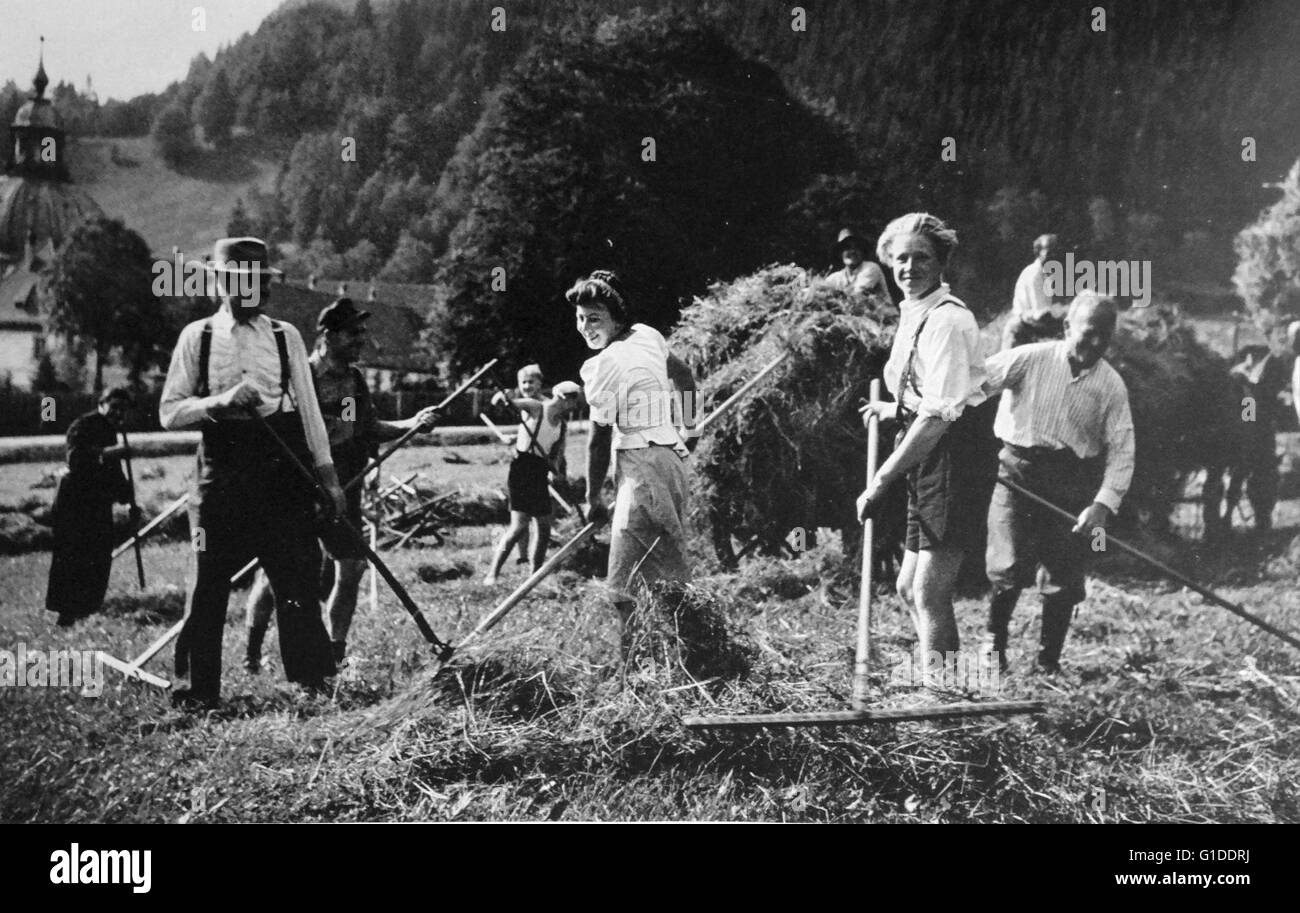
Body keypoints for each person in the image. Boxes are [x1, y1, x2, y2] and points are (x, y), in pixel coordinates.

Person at [160, 237, 345, 710]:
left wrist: (328, 479)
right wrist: (218, 402)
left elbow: (310, 415)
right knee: (208, 582)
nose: (255, 289)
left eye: (260, 280)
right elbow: (169, 412)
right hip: (222, 470)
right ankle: (198, 691)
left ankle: (314, 681)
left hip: (282, 467)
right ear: (221, 283)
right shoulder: (196, 337)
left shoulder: (286, 336)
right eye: (243, 280)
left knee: (296, 577)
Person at [242, 297, 440, 672]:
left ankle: (335, 652)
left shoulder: (353, 381)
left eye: (362, 332)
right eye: (353, 333)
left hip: (343, 485)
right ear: (329, 335)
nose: (361, 340)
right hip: (299, 484)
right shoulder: (302, 377)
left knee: (351, 567)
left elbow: (364, 429)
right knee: (276, 574)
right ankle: (252, 655)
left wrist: (413, 422)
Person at [856, 213, 989, 668]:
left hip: (951, 456)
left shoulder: (948, 322)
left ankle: (943, 703)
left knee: (930, 591)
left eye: (921, 258)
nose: (909, 268)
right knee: (907, 587)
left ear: (942, 261)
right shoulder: (916, 314)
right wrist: (891, 409)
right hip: (929, 451)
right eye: (900, 260)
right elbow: (927, 396)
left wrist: (882, 479)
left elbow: (939, 416)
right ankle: (939, 685)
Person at [981, 292, 1135, 674]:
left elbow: (1122, 450)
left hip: (1070, 481)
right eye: (1089, 332)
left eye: (1105, 336)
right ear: (1067, 327)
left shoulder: (1111, 386)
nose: (1096, 343)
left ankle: (1048, 663)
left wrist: (1101, 504)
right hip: (1017, 472)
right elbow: (973, 381)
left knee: (1063, 576)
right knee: (1008, 563)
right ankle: (992, 647)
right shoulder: (1032, 358)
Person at [570, 270, 698, 640]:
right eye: (580, 318)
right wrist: (692, 431)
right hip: (670, 464)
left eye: (595, 318)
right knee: (667, 567)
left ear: (616, 317)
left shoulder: (604, 364)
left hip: (642, 468)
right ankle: (686, 650)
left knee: (624, 584)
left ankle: (633, 670)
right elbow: (686, 376)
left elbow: (598, 437)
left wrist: (592, 497)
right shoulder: (648, 335)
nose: (585, 327)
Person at [45, 386, 138, 627]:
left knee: (98, 556)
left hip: (97, 504)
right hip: (73, 504)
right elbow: (76, 459)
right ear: (102, 403)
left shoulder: (111, 431)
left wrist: (128, 500)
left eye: (123, 410)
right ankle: (66, 615)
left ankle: (87, 610)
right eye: (114, 407)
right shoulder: (82, 425)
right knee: (73, 557)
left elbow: (114, 473)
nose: (119, 414)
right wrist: (109, 453)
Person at [483, 374, 581, 585]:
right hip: (521, 468)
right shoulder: (536, 407)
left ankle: (534, 574)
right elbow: (504, 404)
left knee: (544, 527)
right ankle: (492, 574)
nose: (574, 406)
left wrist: (559, 472)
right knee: (518, 526)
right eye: (573, 401)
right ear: (564, 398)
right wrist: (504, 396)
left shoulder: (562, 426)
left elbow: (558, 456)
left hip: (539, 471)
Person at [1002, 233, 1065, 350]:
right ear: (1038, 252)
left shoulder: (1045, 274)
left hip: (1030, 332)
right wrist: (1067, 323)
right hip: (1019, 333)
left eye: (1056, 250)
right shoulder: (1035, 274)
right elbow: (1041, 316)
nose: (1054, 254)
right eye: (1049, 250)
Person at [827, 227, 893, 314]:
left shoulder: (870, 268)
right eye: (848, 248)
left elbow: (858, 296)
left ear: (862, 252)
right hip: (857, 322)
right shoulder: (835, 278)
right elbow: (819, 291)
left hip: (885, 321)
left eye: (857, 247)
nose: (853, 251)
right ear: (840, 253)